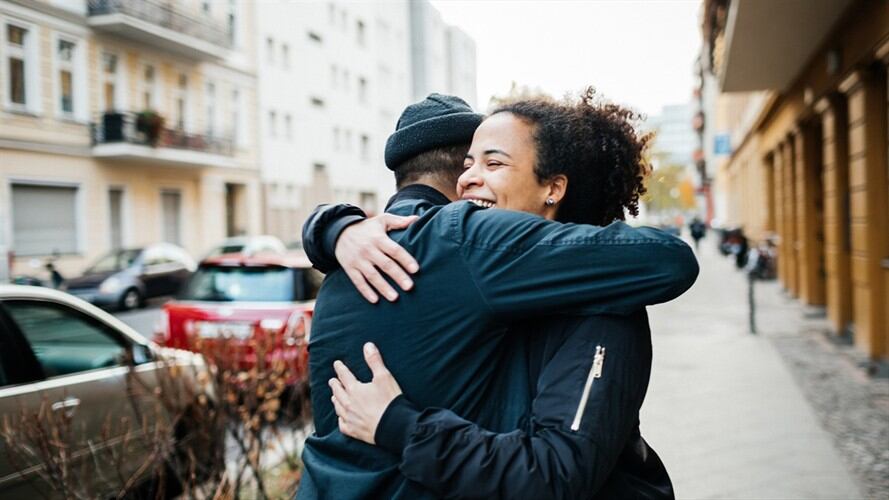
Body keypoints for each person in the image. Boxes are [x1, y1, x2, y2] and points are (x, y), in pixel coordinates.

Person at [298, 92, 698, 499]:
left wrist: (400, 424)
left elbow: (557, 472)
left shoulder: (601, 303)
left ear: (554, 187)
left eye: (494, 163)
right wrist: (334, 227)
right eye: (468, 163)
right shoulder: (470, 269)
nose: (470, 177)